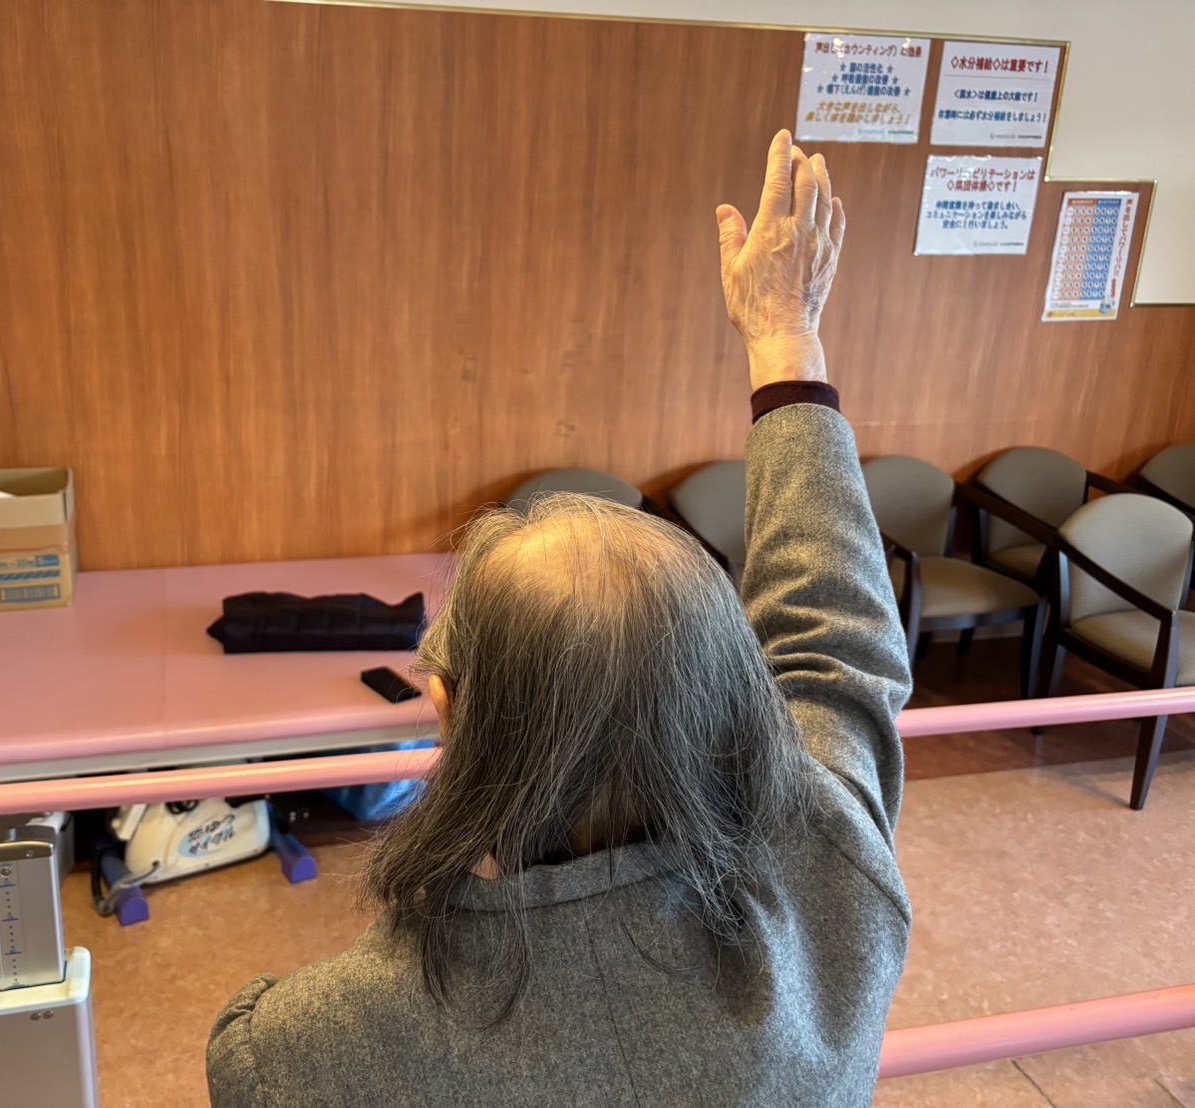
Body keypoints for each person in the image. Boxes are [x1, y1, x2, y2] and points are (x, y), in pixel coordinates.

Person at [207, 130, 913, 1107]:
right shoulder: (833, 872)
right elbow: (834, 638)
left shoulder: (306, 1051)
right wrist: (785, 337)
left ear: (448, 710)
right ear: (727, 699)